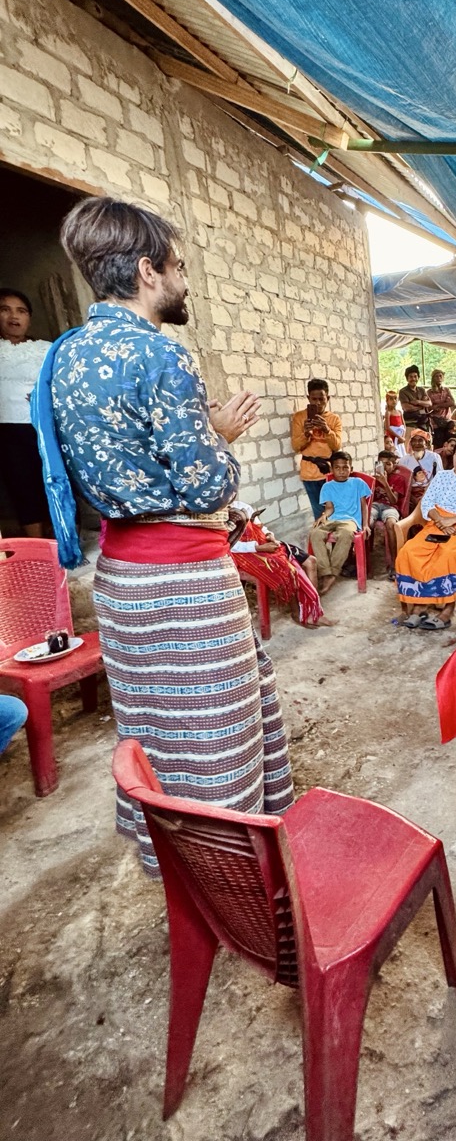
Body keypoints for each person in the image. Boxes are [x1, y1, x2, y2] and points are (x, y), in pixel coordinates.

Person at [43, 195, 293, 877]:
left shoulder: (66, 354)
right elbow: (210, 488)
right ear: (148, 271)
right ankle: (232, 873)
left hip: (121, 576)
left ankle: (176, 856)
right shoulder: (161, 356)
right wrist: (220, 435)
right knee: (216, 731)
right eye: (178, 267)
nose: (185, 282)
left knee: (157, 731)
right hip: (184, 584)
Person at [394, 439, 456, 629]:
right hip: (434, 524)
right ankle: (420, 607)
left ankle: (448, 609)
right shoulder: (442, 477)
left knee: (447, 555)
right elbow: (427, 503)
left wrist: (451, 521)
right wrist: (440, 521)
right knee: (409, 552)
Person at [0, 289, 51, 537]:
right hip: (7, 430)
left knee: (53, 481)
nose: (13, 316)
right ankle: (38, 547)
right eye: (4, 309)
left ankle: (64, 542)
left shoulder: (46, 349)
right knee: (22, 486)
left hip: (45, 425)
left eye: (21, 310)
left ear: (29, 317)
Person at [230, 502, 328, 628]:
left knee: (310, 561)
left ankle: (312, 610)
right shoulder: (217, 514)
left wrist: (269, 535)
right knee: (285, 570)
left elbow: (260, 527)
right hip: (245, 553)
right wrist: (258, 547)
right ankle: (296, 612)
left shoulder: (242, 506)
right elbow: (229, 545)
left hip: (262, 545)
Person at [309, 451, 371, 594]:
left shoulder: (357, 483)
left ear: (351, 468)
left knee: (346, 533)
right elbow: (330, 508)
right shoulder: (327, 486)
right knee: (315, 533)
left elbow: (364, 505)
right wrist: (323, 516)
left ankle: (333, 572)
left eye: (345, 468)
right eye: (338, 468)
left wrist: (365, 524)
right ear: (332, 469)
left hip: (350, 520)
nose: (342, 471)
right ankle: (326, 572)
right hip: (333, 518)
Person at [291, 378, 343, 519]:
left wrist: (326, 430)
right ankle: (321, 539)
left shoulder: (334, 419)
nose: (318, 403)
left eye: (322, 399)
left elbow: (336, 446)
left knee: (335, 511)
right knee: (319, 514)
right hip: (310, 473)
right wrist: (306, 434)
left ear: (328, 398)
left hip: (330, 472)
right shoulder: (299, 417)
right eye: (314, 399)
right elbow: (296, 447)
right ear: (308, 398)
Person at [371, 448, 406, 561]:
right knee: (366, 522)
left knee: (391, 524)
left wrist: (385, 484)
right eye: (381, 464)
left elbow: (393, 501)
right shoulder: (374, 478)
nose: (385, 467)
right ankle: (361, 559)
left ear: (394, 465)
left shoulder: (398, 479)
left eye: (388, 464)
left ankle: (394, 561)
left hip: (391, 507)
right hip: (375, 505)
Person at [399, 431, 442, 511]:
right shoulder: (404, 460)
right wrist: (412, 498)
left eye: (420, 441)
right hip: (410, 493)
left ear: (426, 443)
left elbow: (439, 479)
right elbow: (402, 484)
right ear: (410, 443)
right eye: (414, 441)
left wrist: (427, 494)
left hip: (430, 491)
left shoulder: (434, 457)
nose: (417, 443)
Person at [398, 365, 431, 445]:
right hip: (410, 424)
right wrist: (422, 406)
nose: (413, 379)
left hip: (424, 423)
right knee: (409, 446)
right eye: (411, 377)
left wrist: (417, 402)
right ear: (407, 378)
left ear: (418, 377)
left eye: (415, 376)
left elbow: (429, 403)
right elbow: (406, 408)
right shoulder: (403, 391)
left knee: (426, 445)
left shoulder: (422, 390)